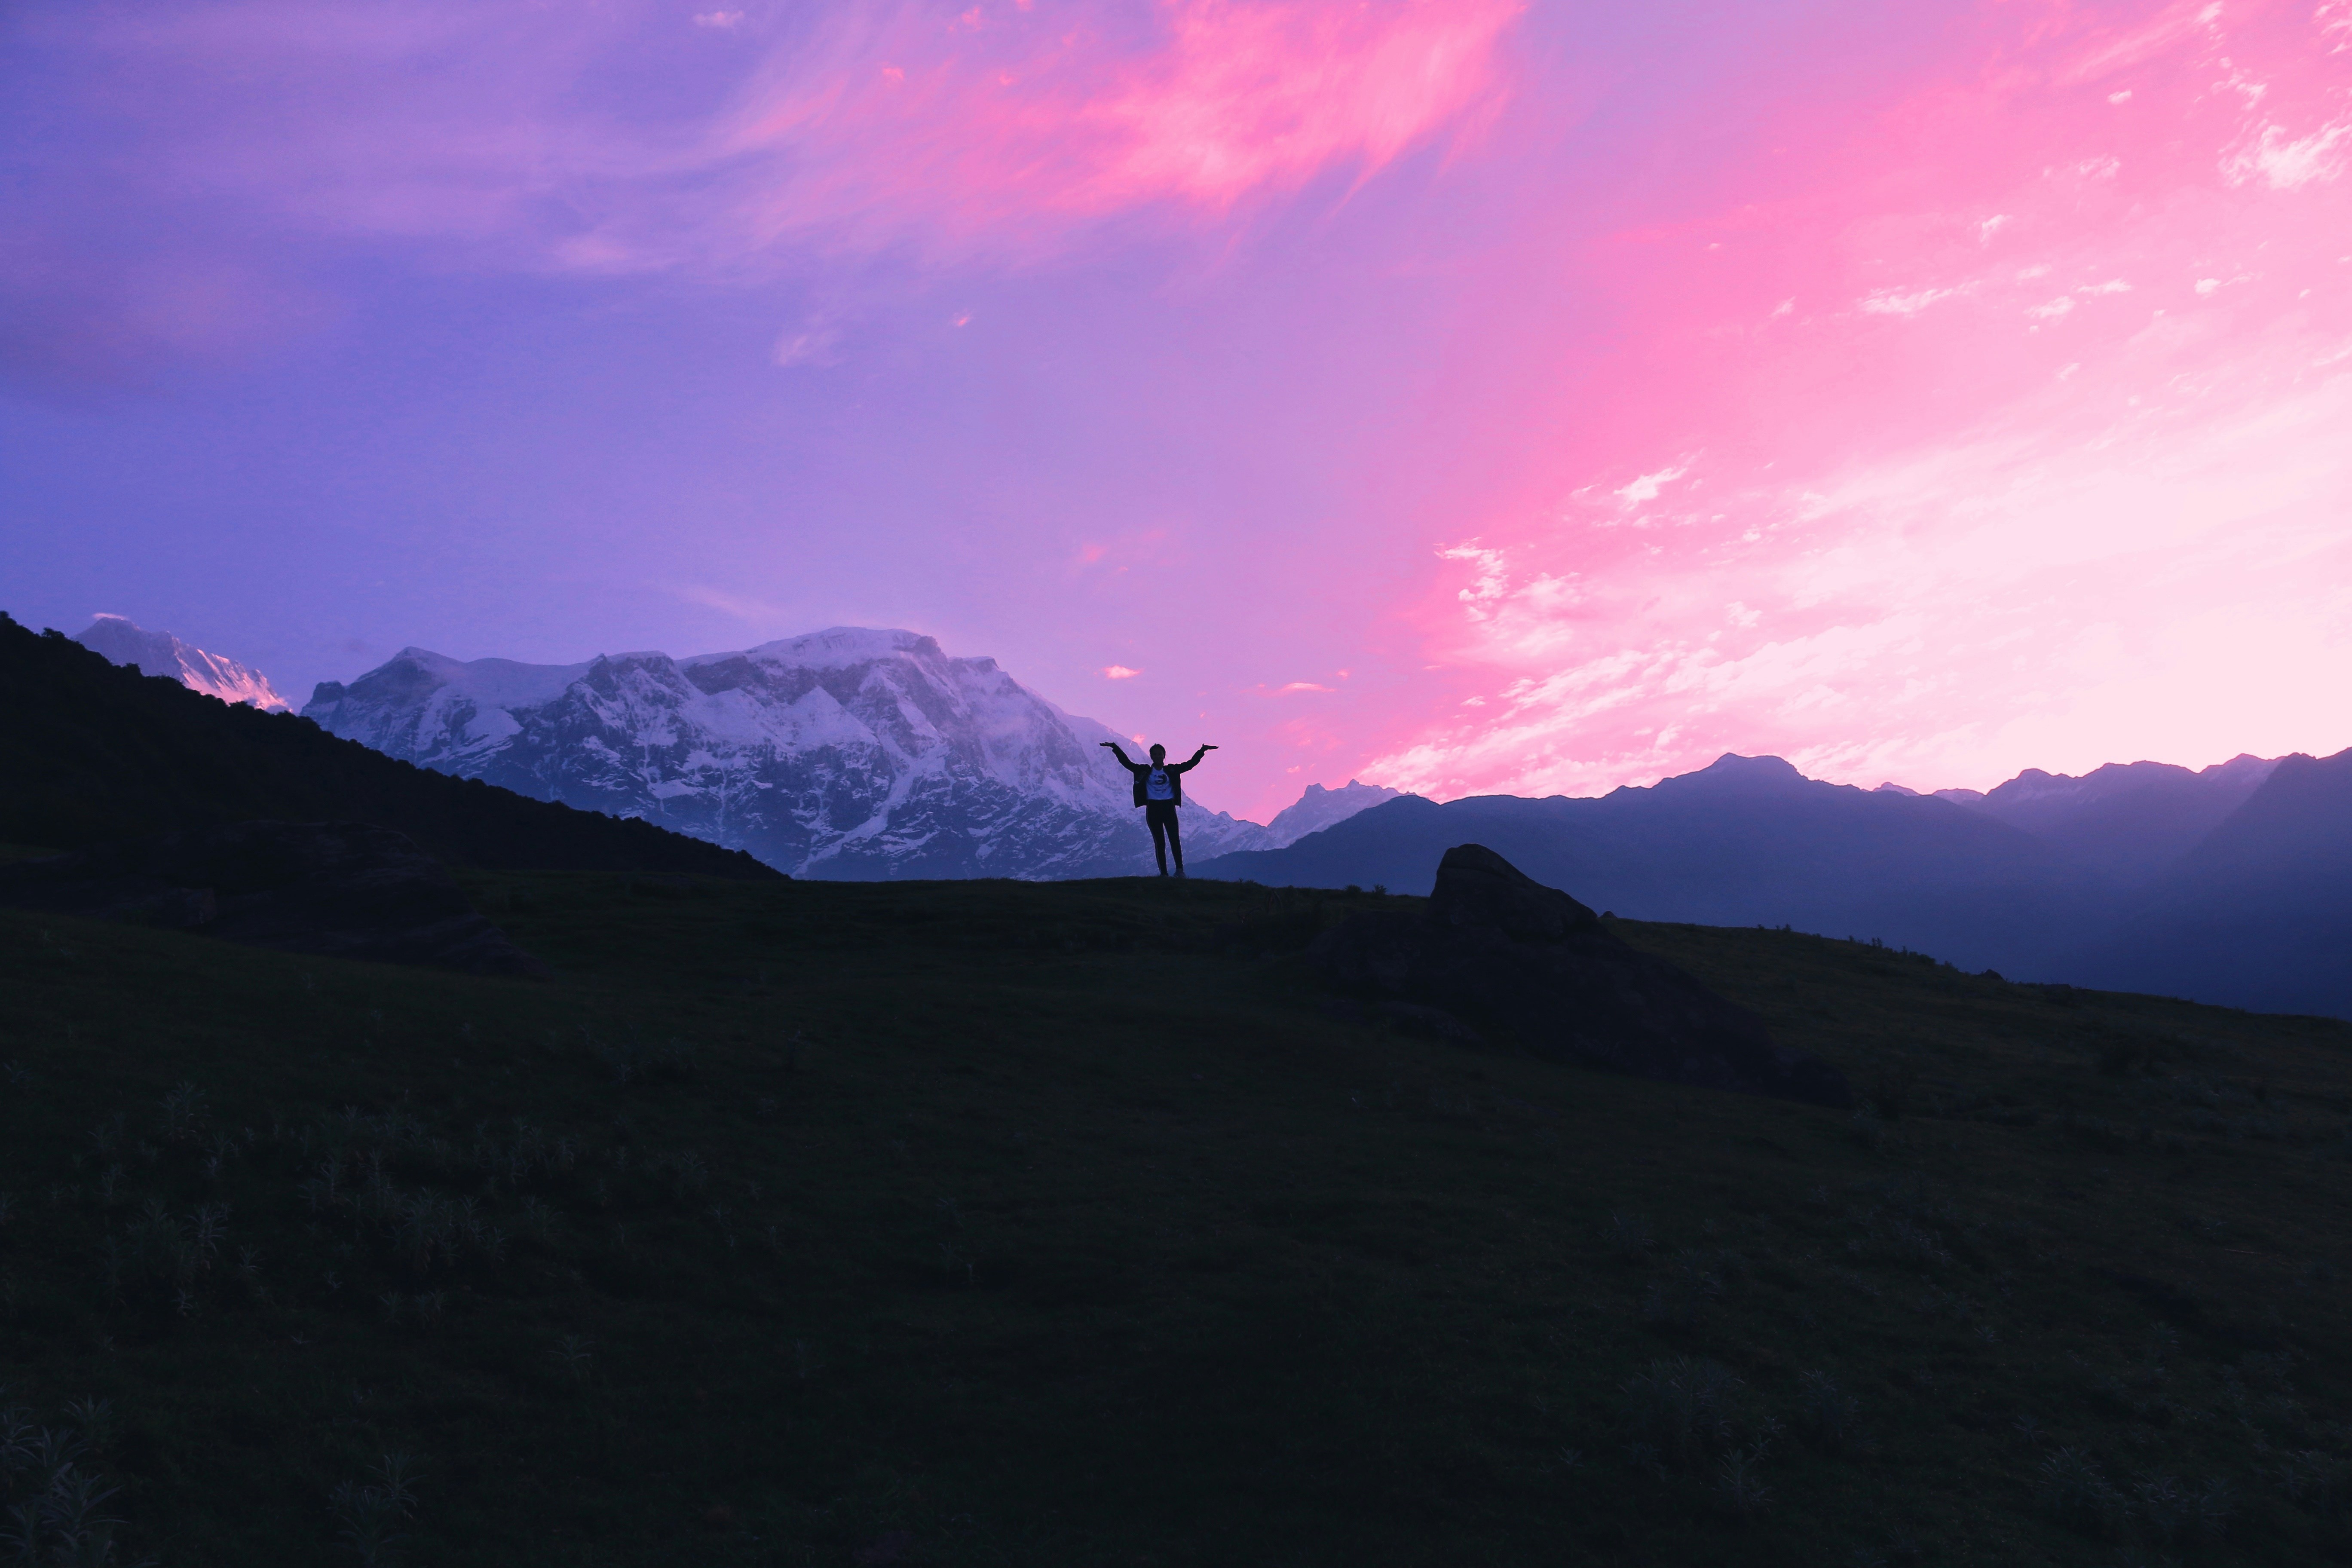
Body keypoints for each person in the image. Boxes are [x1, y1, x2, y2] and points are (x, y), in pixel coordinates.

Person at [1099, 740, 1217, 877]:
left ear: (1164, 756)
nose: (1157, 756)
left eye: (1160, 754)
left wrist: (1202, 751)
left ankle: (1180, 870)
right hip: (1153, 808)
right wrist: (1115, 747)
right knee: (1159, 842)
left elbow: (1190, 765)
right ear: (1151, 757)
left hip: (1168, 807)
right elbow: (1127, 763)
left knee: (1174, 839)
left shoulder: (1172, 770)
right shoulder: (1144, 771)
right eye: (1154, 754)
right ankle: (1164, 873)